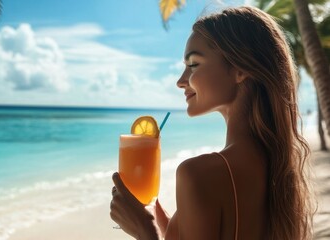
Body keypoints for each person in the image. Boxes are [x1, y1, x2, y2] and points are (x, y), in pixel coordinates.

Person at [110, 6, 314, 240]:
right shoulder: (278, 167)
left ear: (240, 69)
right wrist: (166, 226)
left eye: (193, 65)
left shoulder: (198, 174)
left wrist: (146, 233)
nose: (180, 81)